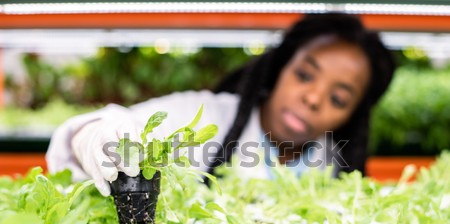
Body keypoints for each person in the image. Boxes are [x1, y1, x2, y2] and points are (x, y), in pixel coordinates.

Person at [46, 12, 396, 196]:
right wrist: (94, 138)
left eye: (338, 98)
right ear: (280, 69)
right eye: (305, 75)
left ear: (353, 113)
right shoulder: (205, 118)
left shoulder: (335, 163)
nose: (314, 98)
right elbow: (99, 131)